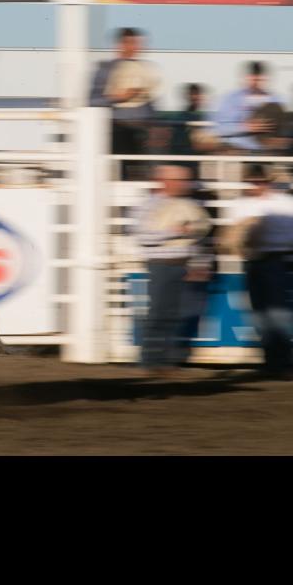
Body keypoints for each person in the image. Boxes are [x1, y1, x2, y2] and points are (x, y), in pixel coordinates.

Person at [226, 164, 293, 378]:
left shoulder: (288, 205)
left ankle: (282, 364)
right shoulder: (242, 205)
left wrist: (260, 235)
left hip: (275, 258)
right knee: (261, 313)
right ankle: (273, 363)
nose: (255, 185)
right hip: (255, 260)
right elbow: (230, 237)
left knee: (277, 313)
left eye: (259, 181)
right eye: (252, 181)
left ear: (269, 182)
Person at [131, 165, 213, 378]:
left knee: (175, 315)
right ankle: (150, 362)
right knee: (159, 314)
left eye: (185, 180)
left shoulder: (190, 205)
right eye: (179, 180)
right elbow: (142, 237)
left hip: (182, 264)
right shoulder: (148, 205)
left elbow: (201, 236)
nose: (184, 184)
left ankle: (164, 360)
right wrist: (172, 232)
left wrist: (198, 262)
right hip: (162, 264)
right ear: (164, 182)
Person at [88, 27, 160, 157]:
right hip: (118, 131)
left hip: (143, 133)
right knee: (119, 172)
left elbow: (151, 102)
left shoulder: (147, 69)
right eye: (131, 43)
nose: (136, 48)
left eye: (138, 44)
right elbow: (91, 101)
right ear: (120, 44)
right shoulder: (106, 69)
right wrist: (116, 97)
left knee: (140, 173)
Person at [213, 62, 289, 153]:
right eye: (253, 79)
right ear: (245, 78)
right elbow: (219, 129)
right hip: (237, 151)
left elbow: (283, 128)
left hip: (268, 152)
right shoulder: (231, 99)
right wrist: (245, 127)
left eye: (259, 79)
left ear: (265, 79)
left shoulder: (276, 99)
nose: (255, 83)